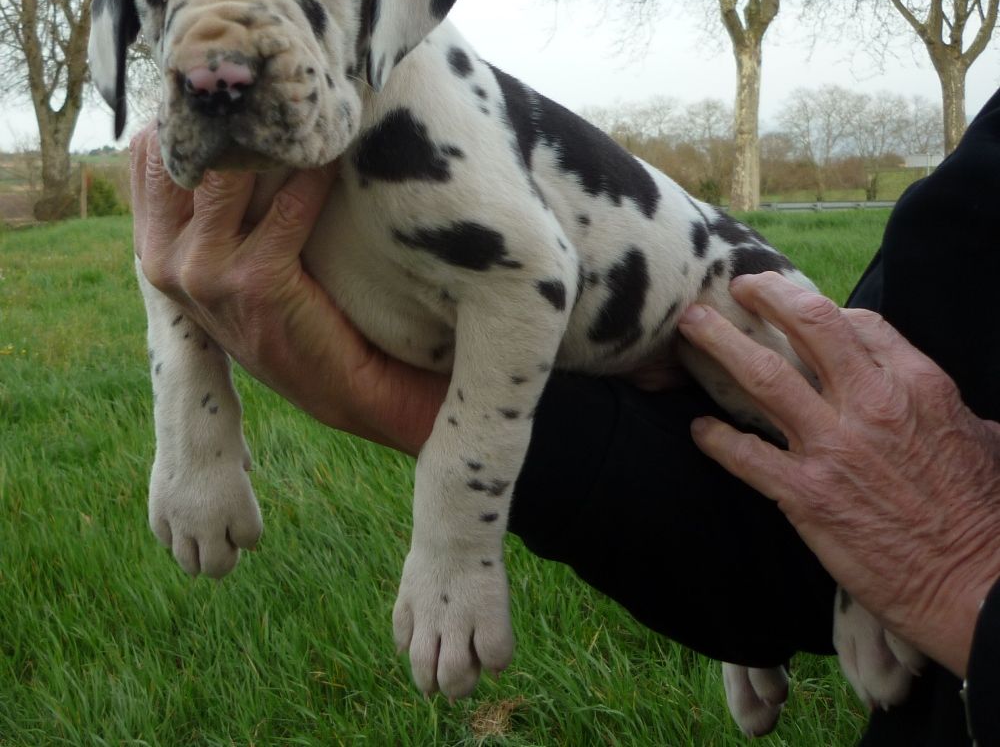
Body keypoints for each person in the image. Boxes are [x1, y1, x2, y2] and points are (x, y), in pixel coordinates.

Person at [129, 84, 1000, 745]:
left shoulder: (415, 93)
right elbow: (169, 256)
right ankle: (790, 601)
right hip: (658, 367)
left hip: (695, 287)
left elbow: (532, 274)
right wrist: (193, 428)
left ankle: (843, 578)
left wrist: (454, 538)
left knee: (766, 368)